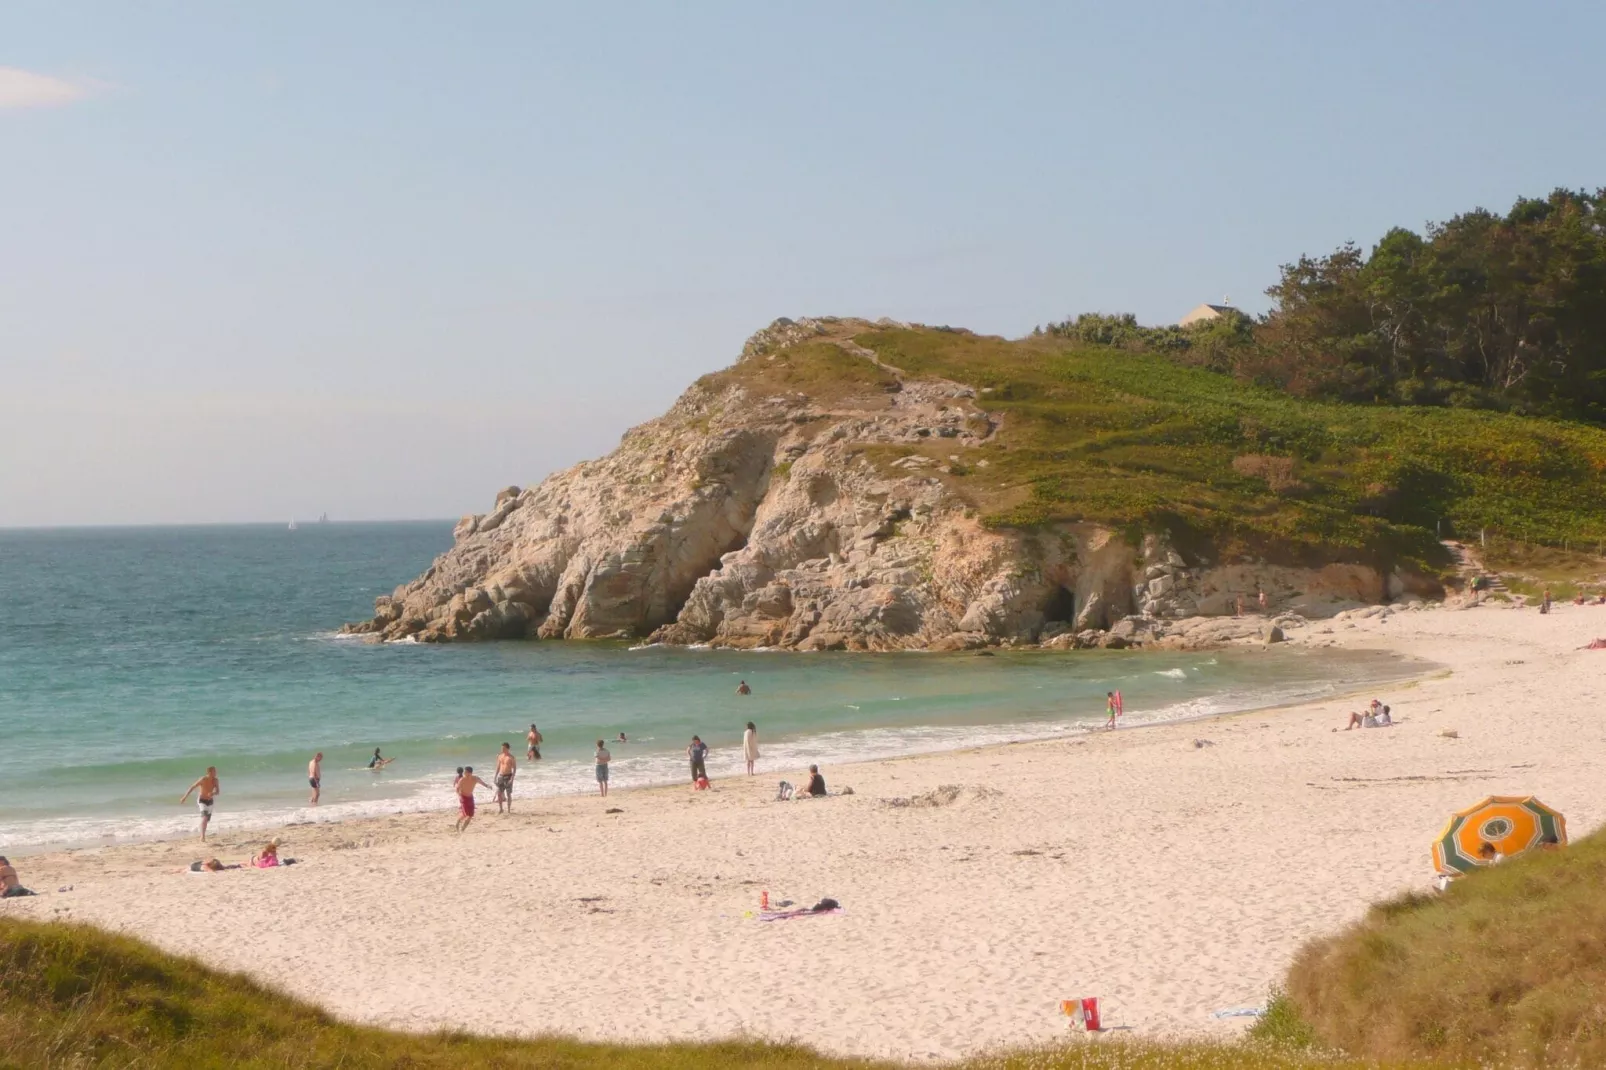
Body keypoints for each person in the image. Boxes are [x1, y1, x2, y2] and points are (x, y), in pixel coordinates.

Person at [179, 766, 221, 842]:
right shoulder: (203, 779)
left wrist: (213, 793)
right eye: (214, 771)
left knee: (206, 820)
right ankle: (202, 836)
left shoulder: (216, 780)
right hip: (202, 800)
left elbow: (218, 792)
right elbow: (192, 787)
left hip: (210, 802)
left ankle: (201, 828)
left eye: (215, 771)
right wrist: (184, 797)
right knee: (204, 817)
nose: (216, 773)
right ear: (209, 772)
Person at [454, 765, 490, 832]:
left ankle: (463, 829)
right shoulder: (462, 780)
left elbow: (482, 783)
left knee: (470, 815)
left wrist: (488, 786)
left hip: (470, 797)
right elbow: (457, 789)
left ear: (470, 773)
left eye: (465, 772)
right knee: (465, 814)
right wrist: (459, 796)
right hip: (463, 797)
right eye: (464, 772)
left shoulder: (475, 778)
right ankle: (458, 822)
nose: (464, 773)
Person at [494, 742, 517, 814]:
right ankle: (501, 809)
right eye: (502, 748)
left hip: (508, 776)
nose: (502, 749)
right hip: (501, 776)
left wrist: (512, 779)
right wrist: (495, 776)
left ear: (507, 748)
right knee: (499, 793)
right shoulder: (500, 756)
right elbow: (498, 767)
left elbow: (514, 769)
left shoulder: (511, 757)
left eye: (503, 748)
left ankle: (509, 810)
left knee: (508, 794)